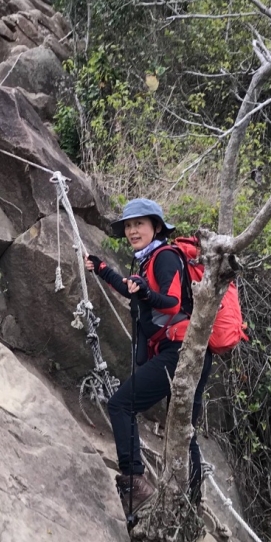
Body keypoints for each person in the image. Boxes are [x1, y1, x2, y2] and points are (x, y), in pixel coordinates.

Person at [84, 198, 212, 516]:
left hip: (180, 351)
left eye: (138, 223)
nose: (131, 230)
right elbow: (134, 291)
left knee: (121, 405)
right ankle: (191, 503)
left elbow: (169, 301)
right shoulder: (147, 261)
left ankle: (135, 481)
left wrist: (143, 292)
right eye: (128, 225)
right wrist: (101, 269)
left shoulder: (165, 256)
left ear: (156, 226)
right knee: (182, 430)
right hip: (191, 353)